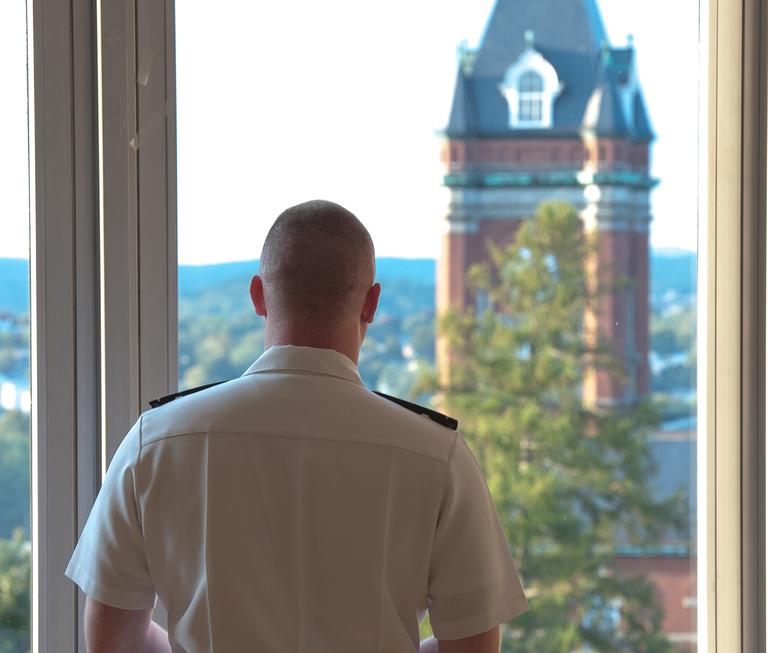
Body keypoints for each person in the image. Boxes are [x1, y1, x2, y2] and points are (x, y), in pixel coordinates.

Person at [65, 199, 528, 652]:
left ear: (258, 295)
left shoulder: (156, 440)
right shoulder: (437, 454)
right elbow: (472, 645)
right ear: (371, 304)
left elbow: (113, 639)